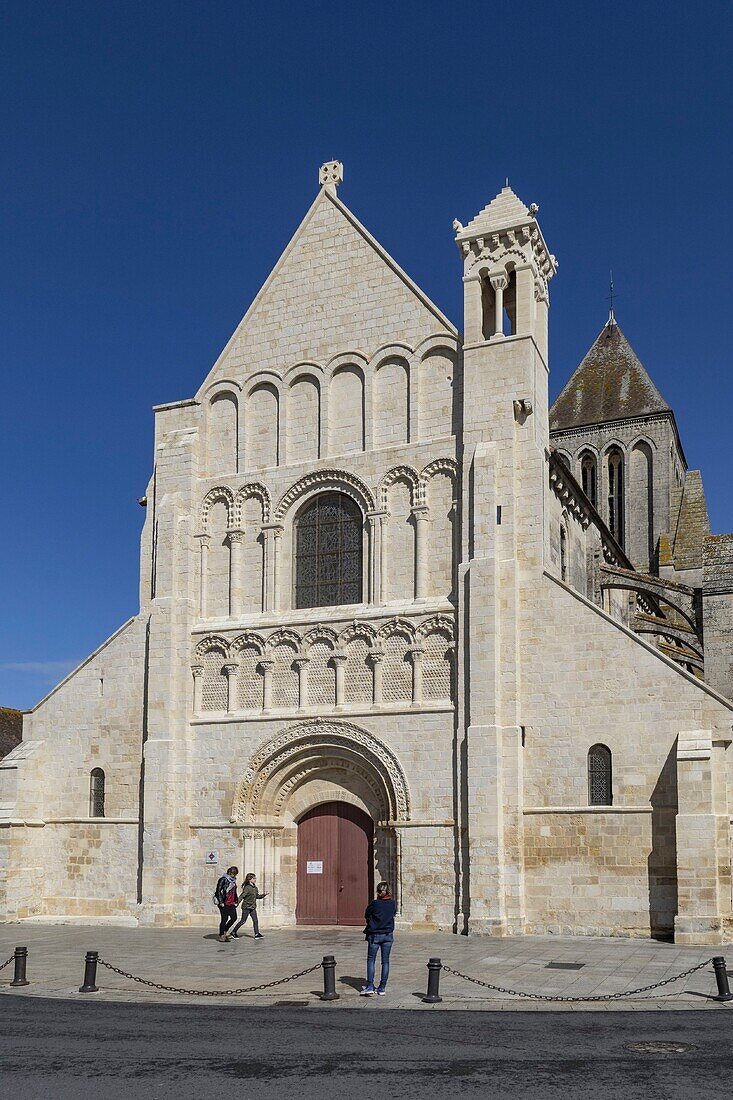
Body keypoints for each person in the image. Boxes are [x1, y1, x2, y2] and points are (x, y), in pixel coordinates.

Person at [360, 881, 396, 996]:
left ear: (378, 891)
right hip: (388, 935)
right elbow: (393, 914)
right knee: (385, 962)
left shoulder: (375, 903)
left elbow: (366, 914)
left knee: (371, 960)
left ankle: (370, 986)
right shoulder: (393, 903)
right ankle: (382, 988)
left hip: (375, 935)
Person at [232, 872, 268, 939]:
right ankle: (233, 932)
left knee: (255, 921)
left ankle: (257, 934)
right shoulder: (247, 888)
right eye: (254, 878)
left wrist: (263, 895)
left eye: (255, 878)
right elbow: (242, 896)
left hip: (253, 907)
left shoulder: (255, 888)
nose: (255, 879)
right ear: (249, 879)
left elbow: (257, 896)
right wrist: (237, 903)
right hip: (246, 907)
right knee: (243, 921)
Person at [214, 866, 239, 942]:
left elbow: (234, 892)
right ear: (229, 872)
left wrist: (236, 900)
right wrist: (221, 902)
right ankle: (222, 935)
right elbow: (218, 891)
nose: (234, 876)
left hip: (231, 902)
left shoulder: (233, 881)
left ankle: (224, 931)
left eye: (235, 874)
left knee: (234, 918)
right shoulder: (223, 879)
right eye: (233, 874)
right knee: (224, 919)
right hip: (224, 902)